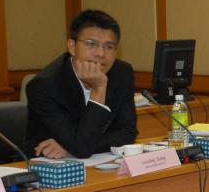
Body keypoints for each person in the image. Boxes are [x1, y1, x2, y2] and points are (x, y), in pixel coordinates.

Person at [25, 9, 138, 159]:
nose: (100, 53)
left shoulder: (122, 72)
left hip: (90, 160)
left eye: (109, 46)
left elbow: (128, 133)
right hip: (48, 164)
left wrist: (69, 146)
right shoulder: (44, 86)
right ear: (72, 47)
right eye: (91, 44)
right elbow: (82, 148)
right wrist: (98, 88)